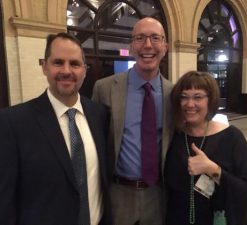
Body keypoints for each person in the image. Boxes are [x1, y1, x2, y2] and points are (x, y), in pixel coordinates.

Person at [0, 32, 111, 225]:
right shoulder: (13, 122)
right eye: (58, 62)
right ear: (44, 66)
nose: (67, 71)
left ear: (84, 70)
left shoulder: (99, 115)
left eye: (75, 64)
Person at [92, 17, 173, 225]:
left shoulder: (174, 94)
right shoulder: (104, 88)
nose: (148, 45)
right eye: (140, 38)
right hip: (118, 193)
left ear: (165, 46)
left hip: (158, 195)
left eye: (155, 38)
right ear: (131, 46)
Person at [164, 71, 247, 225]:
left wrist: (213, 169)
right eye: (184, 96)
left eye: (198, 97)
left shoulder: (231, 137)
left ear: (211, 100)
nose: (190, 104)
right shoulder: (174, 136)